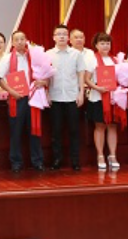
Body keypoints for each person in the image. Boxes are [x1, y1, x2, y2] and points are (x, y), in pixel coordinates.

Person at [0, 30, 44, 172]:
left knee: (35, 130)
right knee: (16, 132)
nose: (19, 42)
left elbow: (44, 73)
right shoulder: (8, 58)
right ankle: (16, 162)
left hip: (34, 97)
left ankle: (37, 161)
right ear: (12, 43)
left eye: (22, 39)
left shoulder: (34, 57)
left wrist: (42, 82)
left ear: (26, 41)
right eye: (16, 39)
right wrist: (11, 92)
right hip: (17, 99)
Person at [47, 24, 84, 171]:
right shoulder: (48, 54)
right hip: (55, 97)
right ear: (54, 37)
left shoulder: (76, 54)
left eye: (64, 34)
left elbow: (81, 74)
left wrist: (81, 93)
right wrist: (47, 93)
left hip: (72, 97)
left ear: (68, 37)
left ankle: (75, 160)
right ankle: (57, 159)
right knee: (56, 131)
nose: (61, 36)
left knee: (74, 131)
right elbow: (45, 76)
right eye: (59, 34)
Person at [84, 32, 121, 170]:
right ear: (96, 45)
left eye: (107, 43)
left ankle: (112, 155)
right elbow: (86, 79)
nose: (105, 46)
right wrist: (97, 88)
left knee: (112, 126)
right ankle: (100, 155)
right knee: (100, 126)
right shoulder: (91, 59)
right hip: (97, 97)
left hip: (113, 98)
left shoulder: (116, 60)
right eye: (102, 43)